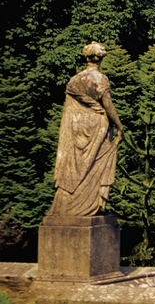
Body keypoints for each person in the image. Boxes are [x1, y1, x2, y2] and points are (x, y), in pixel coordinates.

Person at [48, 42, 123, 216]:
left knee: (74, 165)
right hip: (97, 127)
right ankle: (88, 205)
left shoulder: (74, 79)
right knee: (98, 163)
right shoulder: (100, 79)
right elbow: (108, 105)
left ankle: (68, 205)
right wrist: (119, 126)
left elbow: (70, 110)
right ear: (100, 58)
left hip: (76, 129)